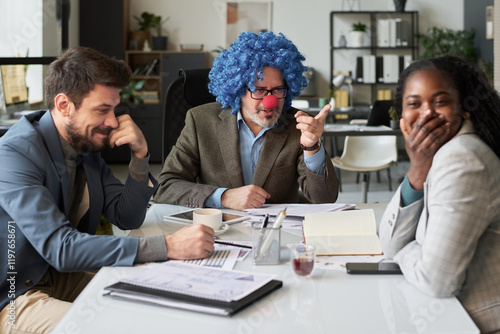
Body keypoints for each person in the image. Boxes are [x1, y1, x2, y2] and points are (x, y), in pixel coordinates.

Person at [0, 46, 214, 334]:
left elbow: (126, 216)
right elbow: (61, 248)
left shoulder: (83, 146)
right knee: (107, 325)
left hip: (57, 275)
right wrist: (169, 245)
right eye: (102, 110)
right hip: (13, 296)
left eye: (114, 109)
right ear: (64, 105)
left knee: (153, 296)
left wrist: (140, 156)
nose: (113, 122)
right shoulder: (15, 154)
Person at [379, 55, 500, 333]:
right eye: (414, 103)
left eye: (440, 101)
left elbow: (437, 281)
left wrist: (406, 251)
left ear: (464, 108)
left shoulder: (462, 160)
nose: (426, 113)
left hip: (473, 322)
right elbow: (389, 241)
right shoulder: (439, 156)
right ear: (402, 119)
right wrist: (418, 169)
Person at [153, 31, 339, 210]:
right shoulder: (200, 121)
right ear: (238, 89)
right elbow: (165, 187)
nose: (270, 101)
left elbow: (325, 199)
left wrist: (312, 147)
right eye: (258, 90)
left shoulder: (299, 125)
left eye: (277, 90)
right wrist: (223, 197)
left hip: (276, 231)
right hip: (219, 232)